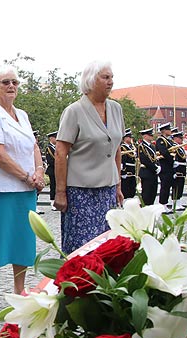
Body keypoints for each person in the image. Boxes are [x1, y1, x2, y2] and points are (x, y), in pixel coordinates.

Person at [0, 65, 45, 316]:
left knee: (23, 242)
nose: (11, 86)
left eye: (15, 82)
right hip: (3, 189)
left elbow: (34, 146)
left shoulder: (23, 115)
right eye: (5, 82)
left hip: (26, 190)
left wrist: (39, 170)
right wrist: (27, 177)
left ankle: (19, 291)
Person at [54, 60, 124, 254]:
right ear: (91, 81)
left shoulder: (116, 109)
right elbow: (61, 152)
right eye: (105, 77)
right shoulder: (74, 111)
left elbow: (117, 148)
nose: (110, 82)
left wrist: (118, 184)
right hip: (80, 192)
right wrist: (60, 192)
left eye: (111, 77)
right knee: (81, 247)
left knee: (106, 246)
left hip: (107, 190)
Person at [155, 122, 175, 212]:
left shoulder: (169, 140)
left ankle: (165, 203)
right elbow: (164, 152)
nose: (170, 131)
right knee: (165, 185)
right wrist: (172, 159)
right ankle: (162, 204)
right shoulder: (161, 140)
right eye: (169, 129)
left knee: (168, 185)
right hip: (164, 165)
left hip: (169, 166)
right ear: (164, 131)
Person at [138, 128, 160, 206]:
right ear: (145, 136)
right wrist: (155, 168)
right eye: (150, 135)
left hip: (153, 173)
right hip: (146, 172)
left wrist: (158, 166)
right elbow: (144, 160)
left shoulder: (152, 146)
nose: (151, 137)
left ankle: (150, 208)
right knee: (147, 193)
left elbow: (155, 158)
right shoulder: (141, 146)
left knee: (153, 193)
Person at [170, 129, 187, 210]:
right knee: (176, 186)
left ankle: (179, 202)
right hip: (177, 168)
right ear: (175, 138)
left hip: (182, 168)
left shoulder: (180, 147)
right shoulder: (174, 146)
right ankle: (175, 203)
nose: (181, 139)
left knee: (180, 186)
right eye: (180, 138)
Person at [120, 128, 137, 199]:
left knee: (132, 189)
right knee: (125, 189)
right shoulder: (122, 147)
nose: (131, 139)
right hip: (126, 170)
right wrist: (123, 172)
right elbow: (122, 161)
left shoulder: (131, 148)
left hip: (132, 170)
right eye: (130, 137)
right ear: (125, 138)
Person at [45, 131, 57, 209]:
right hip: (52, 170)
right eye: (55, 137)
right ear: (51, 138)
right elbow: (50, 160)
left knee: (57, 186)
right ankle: (52, 202)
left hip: (57, 170)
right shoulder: (49, 148)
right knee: (53, 186)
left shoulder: (56, 147)